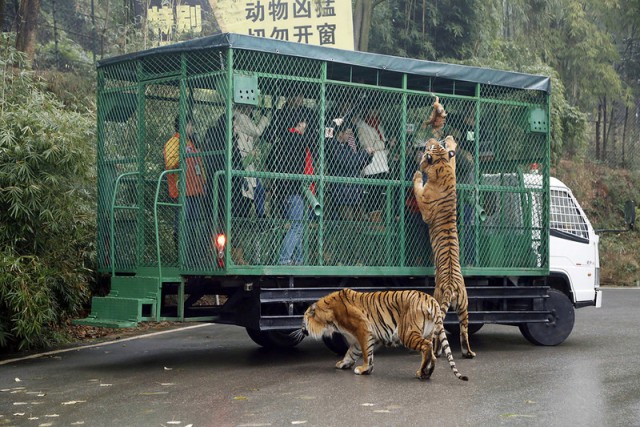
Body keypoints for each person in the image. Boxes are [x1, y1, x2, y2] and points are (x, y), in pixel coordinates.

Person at [267, 112, 314, 265]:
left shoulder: (281, 141)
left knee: (297, 226)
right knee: (298, 226)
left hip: (281, 191)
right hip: (294, 190)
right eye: (304, 123)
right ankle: (284, 258)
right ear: (299, 124)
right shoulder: (298, 139)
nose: (305, 127)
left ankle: (299, 260)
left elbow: (269, 161)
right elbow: (314, 141)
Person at [163, 115, 207, 264]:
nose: (192, 129)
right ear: (184, 125)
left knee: (193, 224)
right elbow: (170, 163)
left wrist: (203, 183)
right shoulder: (173, 142)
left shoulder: (191, 143)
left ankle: (192, 258)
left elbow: (199, 165)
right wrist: (182, 156)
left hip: (195, 190)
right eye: (190, 125)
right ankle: (182, 258)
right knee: (182, 224)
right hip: (182, 190)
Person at [233, 103, 271, 218]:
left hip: (248, 161)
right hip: (243, 161)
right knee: (252, 191)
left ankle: (261, 215)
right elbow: (257, 131)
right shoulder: (241, 117)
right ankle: (259, 216)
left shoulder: (243, 118)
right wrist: (264, 117)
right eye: (249, 107)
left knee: (258, 191)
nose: (251, 110)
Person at [355, 108, 389, 216]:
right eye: (372, 111)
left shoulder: (379, 126)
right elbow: (366, 144)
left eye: (376, 111)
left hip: (382, 164)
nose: (375, 113)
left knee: (379, 193)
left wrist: (382, 145)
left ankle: (377, 217)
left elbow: (381, 143)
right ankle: (372, 217)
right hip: (371, 165)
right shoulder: (362, 127)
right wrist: (383, 145)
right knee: (373, 193)